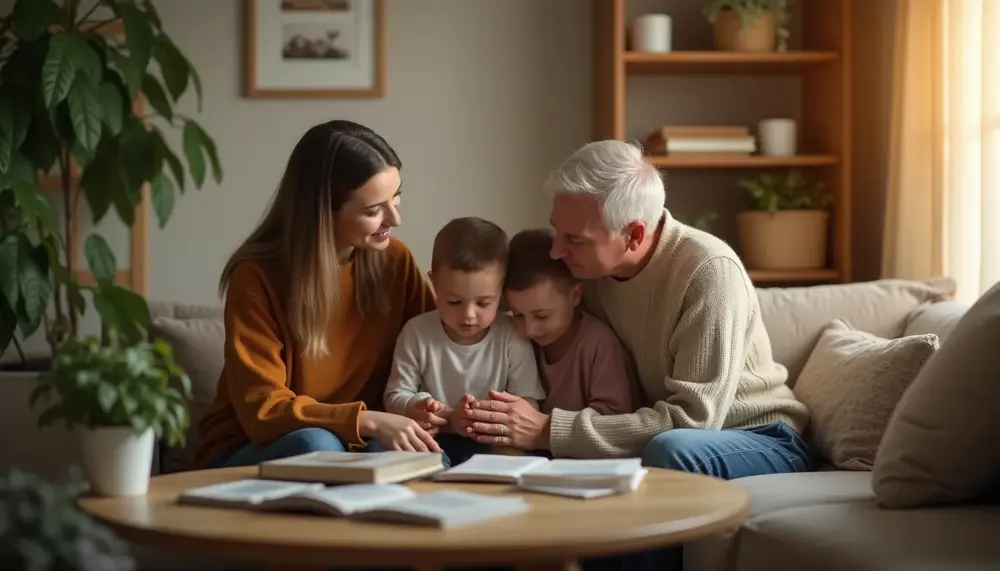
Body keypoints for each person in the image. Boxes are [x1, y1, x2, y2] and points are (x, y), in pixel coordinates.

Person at [461, 139, 813, 479]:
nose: (556, 251)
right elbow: (490, 306)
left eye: (576, 239)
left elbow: (695, 421)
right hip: (671, 435)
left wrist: (548, 430)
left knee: (671, 448)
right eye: (557, 231)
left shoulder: (709, 271)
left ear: (634, 235)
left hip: (760, 437)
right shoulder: (584, 270)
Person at [195, 120, 444, 470]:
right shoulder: (256, 276)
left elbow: (434, 351)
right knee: (317, 443)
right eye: (374, 210)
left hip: (359, 443)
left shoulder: (395, 261)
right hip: (255, 445)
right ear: (323, 213)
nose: (395, 218)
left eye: (396, 197)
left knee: (411, 451)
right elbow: (263, 410)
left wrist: (422, 407)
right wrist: (366, 420)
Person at [383, 217, 546, 468]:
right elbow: (395, 394)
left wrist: (488, 417)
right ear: (434, 284)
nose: (468, 315)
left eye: (483, 303)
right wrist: (419, 407)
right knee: (388, 452)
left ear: (502, 290)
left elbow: (529, 401)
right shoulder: (417, 332)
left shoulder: (512, 335)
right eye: (454, 302)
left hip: (493, 441)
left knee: (518, 462)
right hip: (433, 439)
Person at [503, 228, 634, 417]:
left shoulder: (598, 345)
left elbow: (614, 416)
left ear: (575, 295)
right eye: (517, 315)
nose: (529, 330)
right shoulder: (514, 339)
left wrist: (546, 427)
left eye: (542, 316)